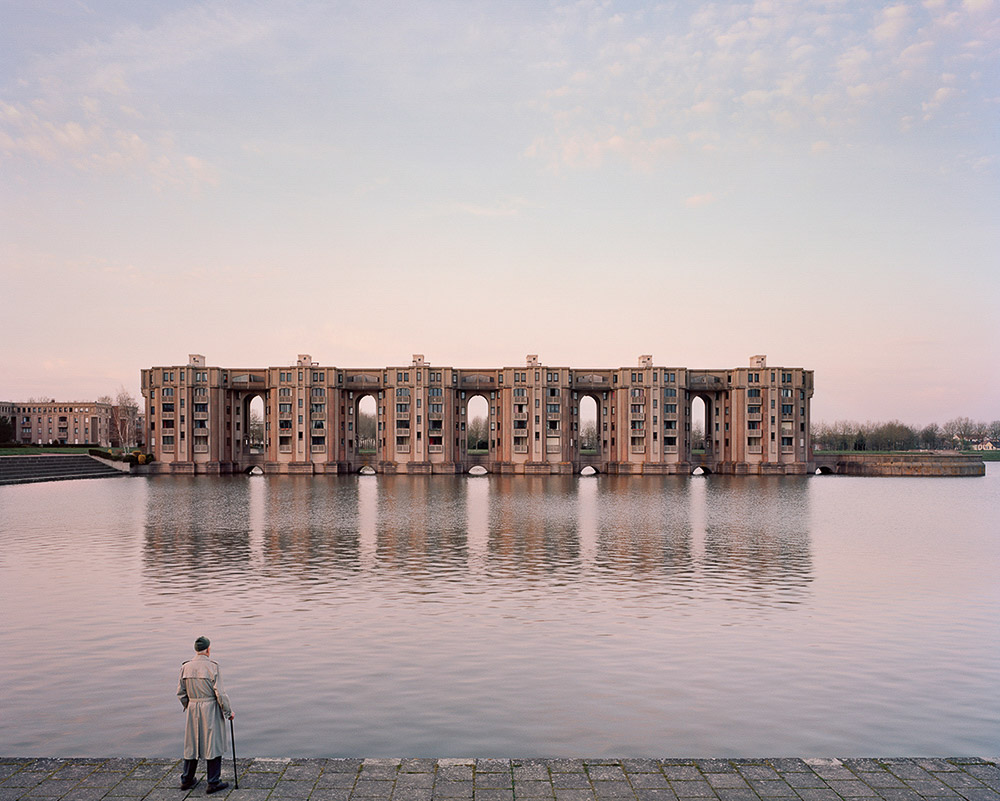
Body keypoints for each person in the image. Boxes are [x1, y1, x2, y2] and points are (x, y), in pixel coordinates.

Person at [177, 636, 234, 793]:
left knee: (192, 744)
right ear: (208, 649)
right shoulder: (213, 667)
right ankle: (213, 782)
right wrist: (228, 712)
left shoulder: (185, 667)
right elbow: (220, 694)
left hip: (193, 707)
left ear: (196, 650)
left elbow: (180, 693)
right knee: (213, 743)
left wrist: (189, 705)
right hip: (210, 707)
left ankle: (187, 780)